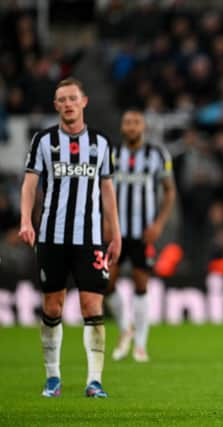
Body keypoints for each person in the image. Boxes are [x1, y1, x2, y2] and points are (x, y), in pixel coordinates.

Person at [19, 78, 121, 398]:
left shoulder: (102, 143)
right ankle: (53, 378)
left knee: (92, 306)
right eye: (61, 99)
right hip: (51, 236)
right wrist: (26, 220)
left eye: (72, 98)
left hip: (89, 239)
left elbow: (107, 189)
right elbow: (29, 184)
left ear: (84, 102)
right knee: (53, 307)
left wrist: (114, 233)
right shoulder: (44, 141)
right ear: (55, 105)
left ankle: (95, 381)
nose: (67, 104)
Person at [106, 109, 176, 362]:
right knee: (107, 283)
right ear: (122, 126)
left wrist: (158, 224)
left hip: (144, 232)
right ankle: (126, 328)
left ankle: (140, 345)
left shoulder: (157, 155)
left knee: (141, 284)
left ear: (143, 126)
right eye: (127, 122)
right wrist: (105, 220)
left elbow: (169, 191)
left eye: (136, 122)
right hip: (116, 232)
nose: (132, 126)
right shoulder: (110, 154)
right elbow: (99, 190)